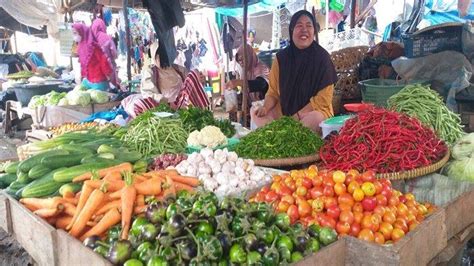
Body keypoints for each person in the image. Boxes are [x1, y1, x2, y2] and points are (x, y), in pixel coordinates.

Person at [252, 10, 338, 133]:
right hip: (285, 113)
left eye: (309, 26)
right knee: (255, 112)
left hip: (311, 113)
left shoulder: (322, 58)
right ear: (292, 30)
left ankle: (281, 134)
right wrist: (265, 108)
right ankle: (281, 134)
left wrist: (298, 116)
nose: (304, 30)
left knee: (316, 118)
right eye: (299, 25)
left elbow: (323, 100)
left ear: (314, 31)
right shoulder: (281, 58)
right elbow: (273, 92)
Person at [140, 42, 210, 109]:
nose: (162, 57)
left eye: (164, 54)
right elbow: (148, 94)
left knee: (195, 72)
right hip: (164, 107)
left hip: (183, 104)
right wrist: (167, 102)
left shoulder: (178, 69)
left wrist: (199, 80)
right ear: (154, 57)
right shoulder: (150, 71)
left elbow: (191, 85)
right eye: (158, 56)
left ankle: (203, 109)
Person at [72, 23, 112, 91]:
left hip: (98, 80)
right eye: (73, 33)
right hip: (87, 80)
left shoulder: (93, 46)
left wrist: (108, 74)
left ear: (82, 32)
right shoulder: (80, 46)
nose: (74, 35)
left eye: (75, 33)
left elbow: (103, 60)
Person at [90, 18, 119, 88]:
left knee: (96, 90)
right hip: (108, 67)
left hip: (94, 69)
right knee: (111, 90)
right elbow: (114, 54)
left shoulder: (90, 39)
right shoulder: (107, 37)